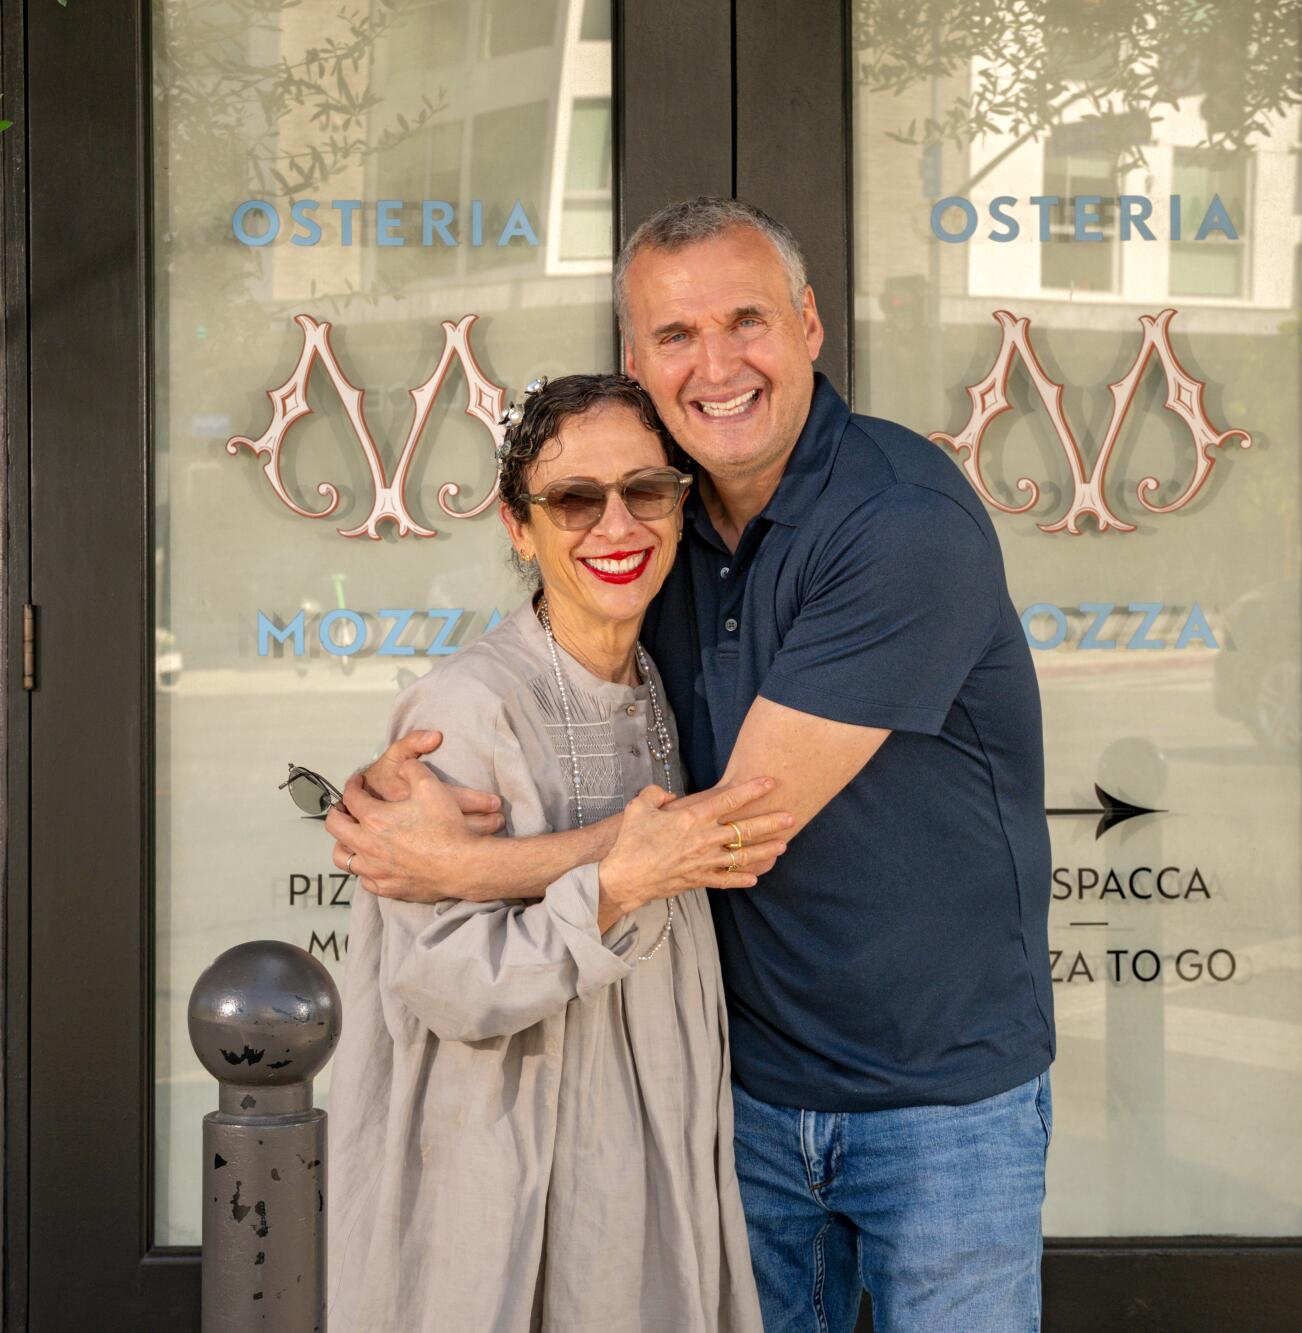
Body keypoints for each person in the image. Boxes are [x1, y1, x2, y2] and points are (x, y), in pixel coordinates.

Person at [328, 198, 1055, 1332]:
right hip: (742, 1096)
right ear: (638, 359)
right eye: (675, 336)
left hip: (935, 1095)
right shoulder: (672, 535)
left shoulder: (898, 523)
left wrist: (460, 867)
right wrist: (390, 790)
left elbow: (733, 824)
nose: (715, 363)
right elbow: (538, 665)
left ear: (810, 327)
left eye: (746, 321)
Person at [323, 374, 790, 1332]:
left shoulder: (661, 677)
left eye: (646, 491)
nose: (615, 525)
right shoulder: (466, 708)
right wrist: (614, 885)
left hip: (645, 1153)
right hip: (506, 1164)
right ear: (518, 526)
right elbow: (448, 983)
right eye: (576, 499)